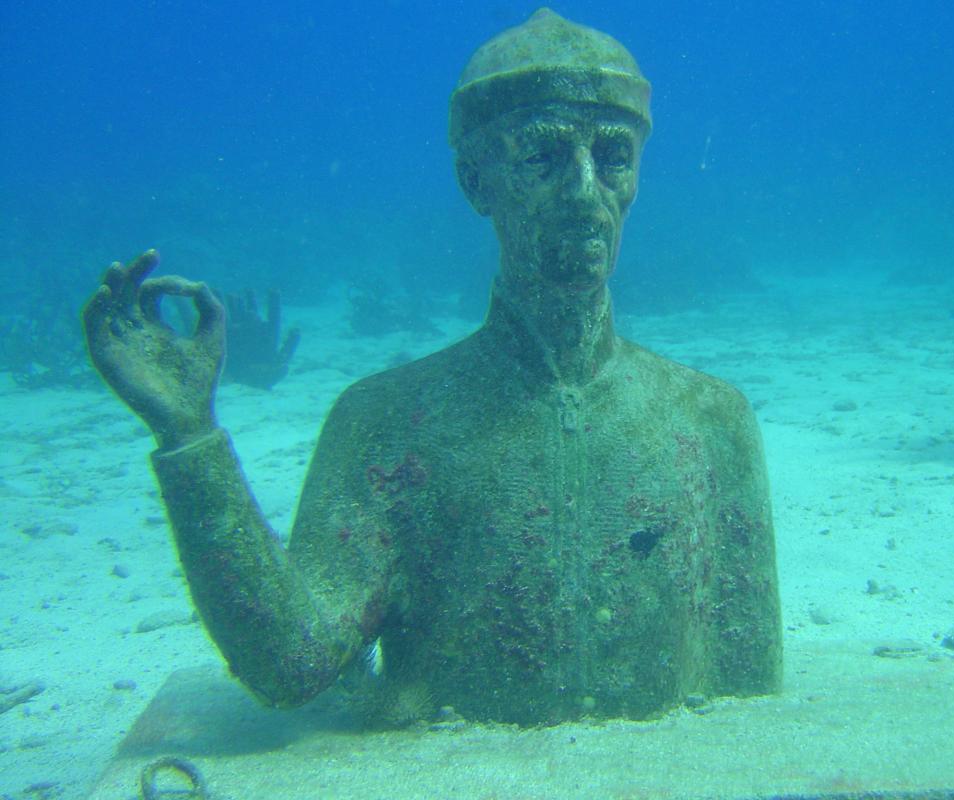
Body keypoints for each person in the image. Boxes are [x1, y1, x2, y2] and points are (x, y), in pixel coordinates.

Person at [83, 9, 781, 726]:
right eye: (542, 156)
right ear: (475, 181)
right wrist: (189, 437)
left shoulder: (711, 420)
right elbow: (292, 662)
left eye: (612, 156)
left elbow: (750, 699)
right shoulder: (385, 424)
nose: (583, 191)